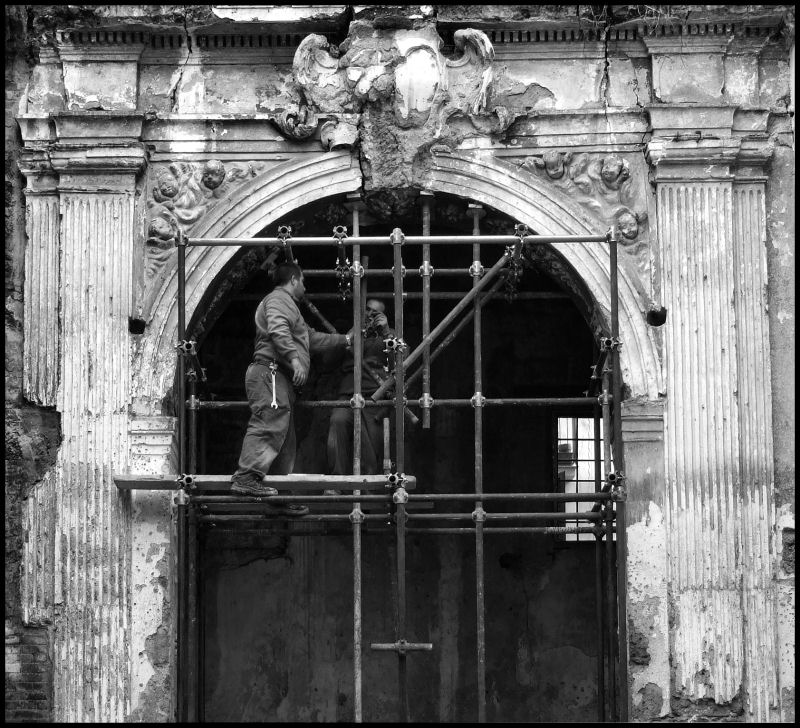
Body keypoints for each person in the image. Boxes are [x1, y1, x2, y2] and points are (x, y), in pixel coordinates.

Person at [231, 262, 353, 512]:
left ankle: (279, 496)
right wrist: (295, 359)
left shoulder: (289, 308)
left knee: (285, 441)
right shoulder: (279, 299)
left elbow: (312, 338)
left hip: (279, 378)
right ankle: (246, 476)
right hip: (271, 373)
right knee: (269, 421)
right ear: (294, 280)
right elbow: (278, 329)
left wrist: (346, 339)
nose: (305, 287)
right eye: (303, 281)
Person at [326, 299, 393, 485]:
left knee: (370, 447)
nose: (369, 315)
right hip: (348, 393)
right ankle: (336, 483)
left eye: (375, 313)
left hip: (375, 397)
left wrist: (386, 332)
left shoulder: (391, 335)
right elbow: (328, 360)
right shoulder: (352, 333)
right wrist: (348, 337)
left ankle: (367, 491)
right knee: (337, 422)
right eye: (367, 310)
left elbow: (400, 362)